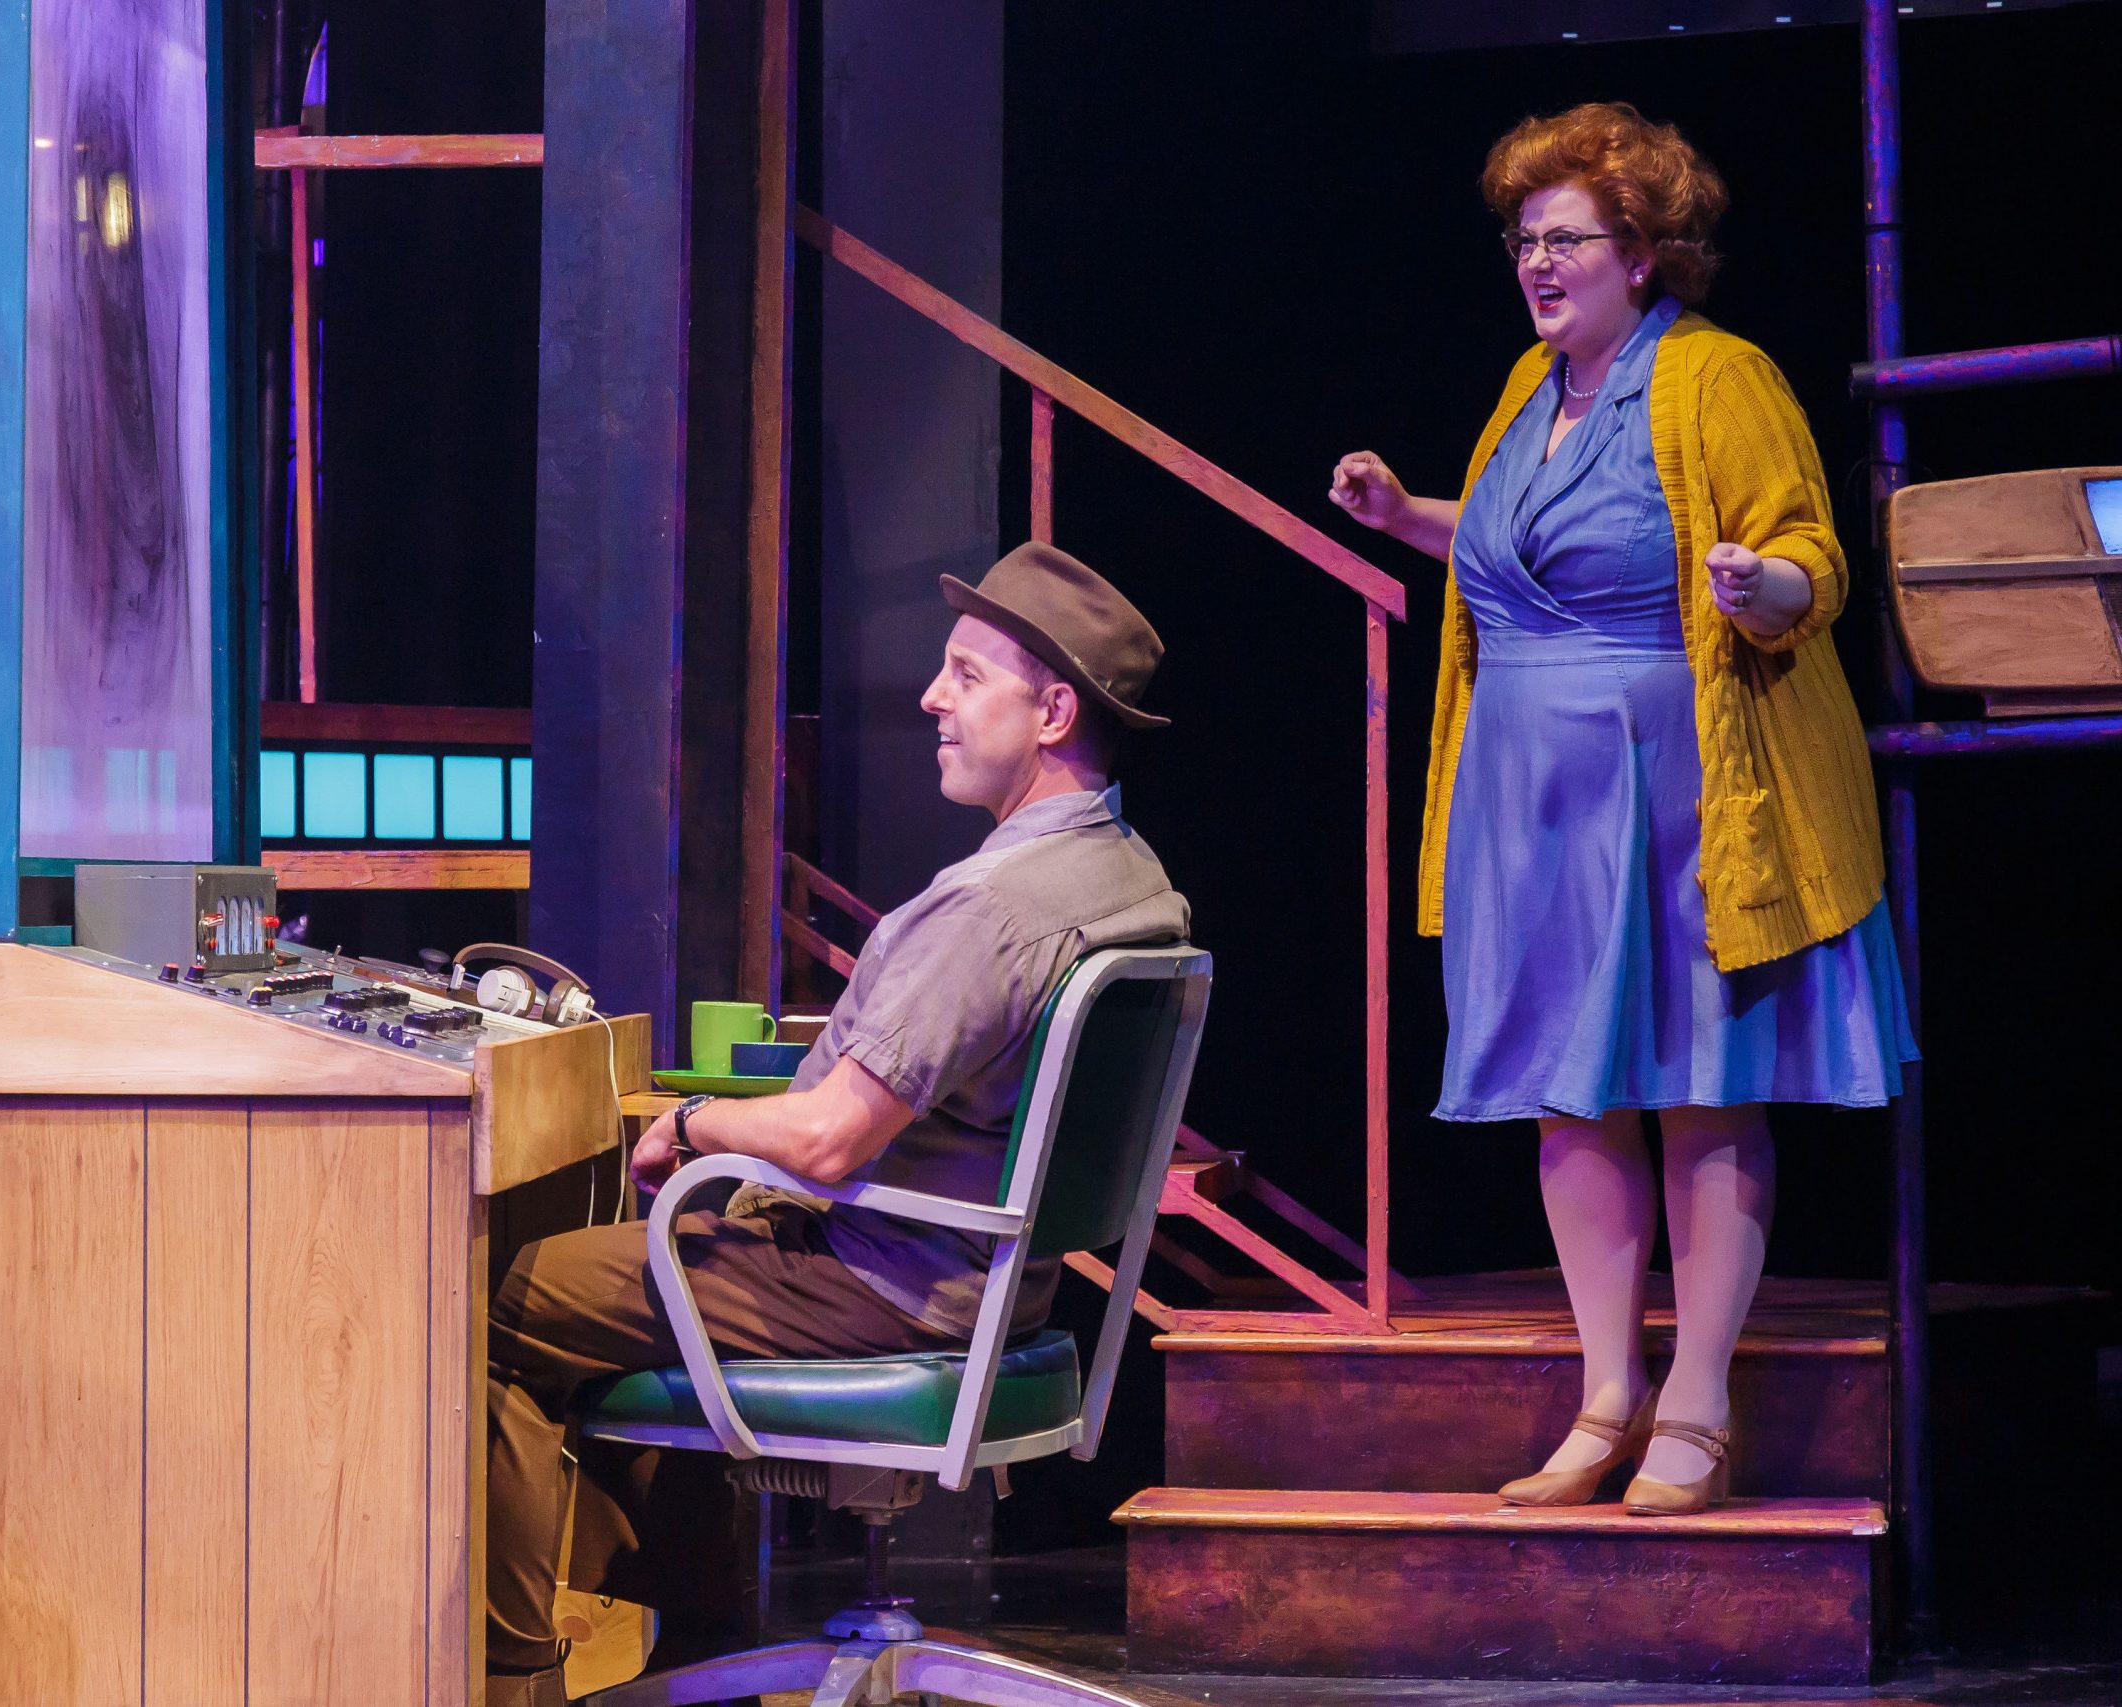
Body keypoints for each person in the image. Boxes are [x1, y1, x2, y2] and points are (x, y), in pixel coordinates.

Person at [1327, 103, 1915, 1515]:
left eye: (1566, 238)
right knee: (1570, 1103)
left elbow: (1812, 554)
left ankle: (1698, 1403)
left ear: (1643, 253)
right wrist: (1409, 517)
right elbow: (1520, 548)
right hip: (1528, 804)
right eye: (1522, 239)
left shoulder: (1716, 375)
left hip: (1675, 786)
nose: (1537, 262)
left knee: (1701, 1088)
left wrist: (1760, 587)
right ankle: (1608, 1396)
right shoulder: (1529, 390)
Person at [484, 541, 1189, 1705]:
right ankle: (695, 1660)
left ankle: (516, 1684)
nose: (932, 698)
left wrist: (698, 1125)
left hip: (886, 1281)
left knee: (502, 1304)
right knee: (651, 1269)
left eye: (967, 675)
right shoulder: (1130, 880)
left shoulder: (991, 909)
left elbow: (827, 1144)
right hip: (991, 1285)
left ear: (1054, 712)